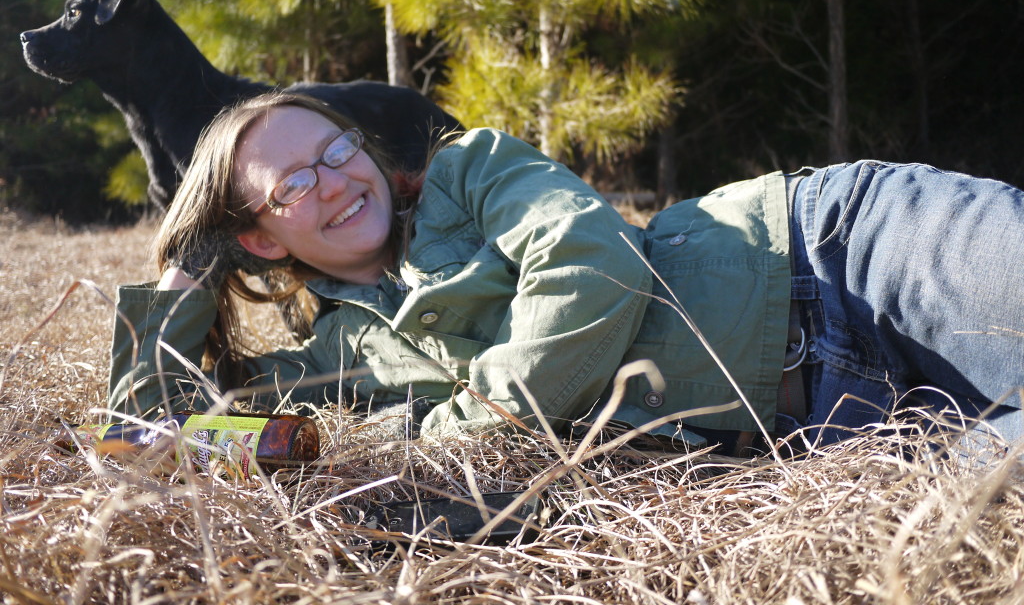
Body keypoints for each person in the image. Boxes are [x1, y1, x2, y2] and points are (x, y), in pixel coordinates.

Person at [107, 91, 1024, 455]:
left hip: (843, 256)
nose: (337, 177)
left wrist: (468, 427)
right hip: (832, 431)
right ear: (261, 240)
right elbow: (150, 436)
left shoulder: (468, 173)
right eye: (293, 184)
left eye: (337, 145)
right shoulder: (329, 367)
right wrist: (188, 272)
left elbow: (592, 264)